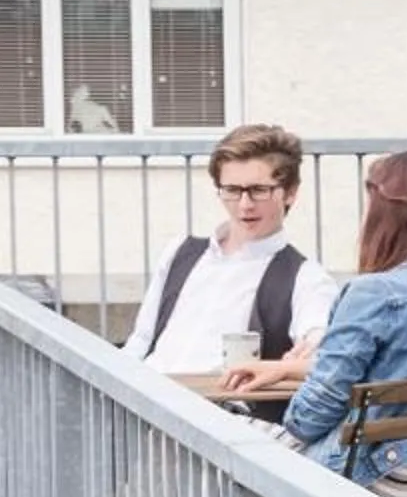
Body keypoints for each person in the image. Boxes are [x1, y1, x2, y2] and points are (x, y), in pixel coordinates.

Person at [267, 150, 407, 497]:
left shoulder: (375, 293)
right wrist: (289, 369)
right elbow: (395, 371)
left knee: (223, 438)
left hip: (353, 482)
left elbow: (314, 413)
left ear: (383, 215)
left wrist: (286, 417)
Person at [121, 122, 336, 381]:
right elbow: (140, 341)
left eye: (259, 190)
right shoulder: (180, 252)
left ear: (290, 193)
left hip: (224, 404)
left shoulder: (306, 278)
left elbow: (323, 352)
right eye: (232, 190)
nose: (245, 205)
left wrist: (307, 352)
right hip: (149, 395)